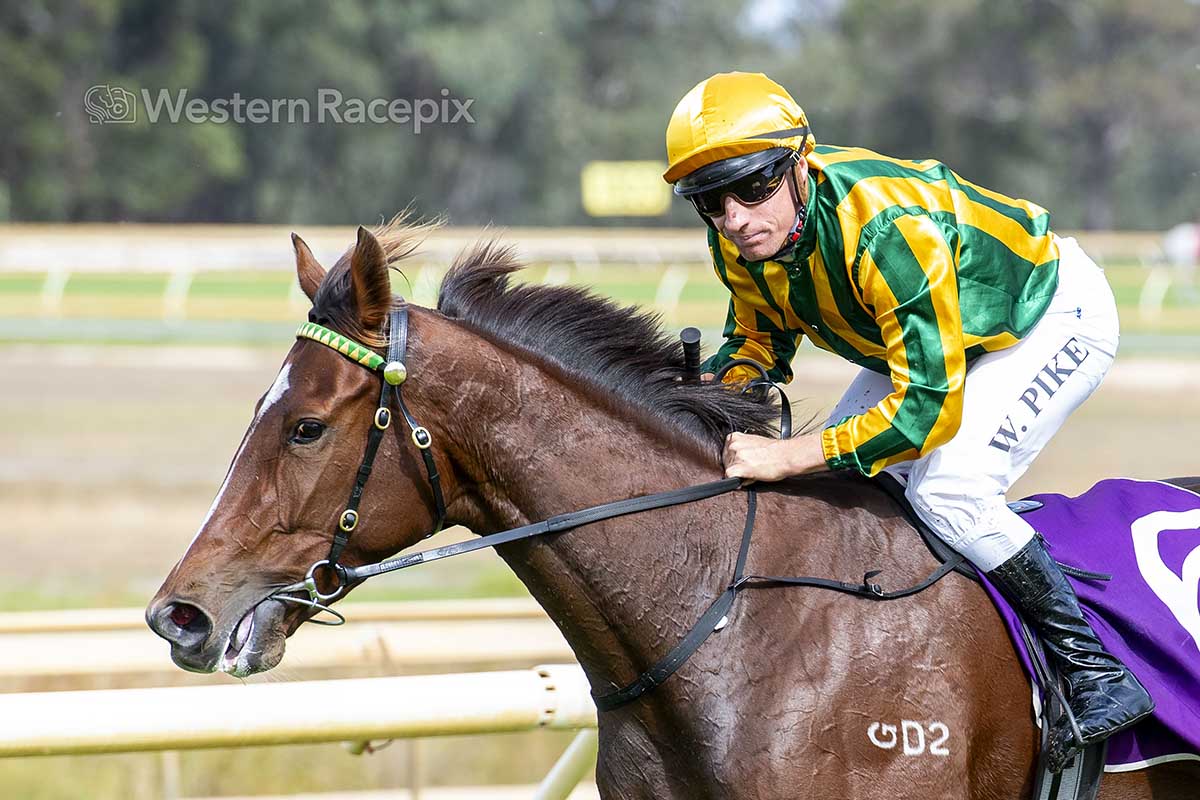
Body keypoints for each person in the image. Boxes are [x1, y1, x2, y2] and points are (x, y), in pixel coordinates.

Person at [663, 71, 1153, 770]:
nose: (736, 217)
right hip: (929, 340)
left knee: (948, 490)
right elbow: (758, 344)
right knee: (845, 493)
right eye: (711, 201)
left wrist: (791, 454)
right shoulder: (740, 241)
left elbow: (926, 410)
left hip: (1042, 317)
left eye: (753, 187)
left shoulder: (885, 226)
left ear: (799, 164)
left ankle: (1094, 669)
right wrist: (702, 400)